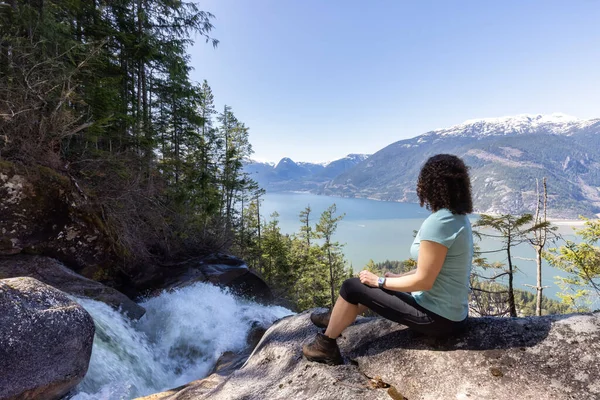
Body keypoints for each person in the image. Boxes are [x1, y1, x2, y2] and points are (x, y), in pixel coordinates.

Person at [302, 154, 474, 365]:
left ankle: (325, 346)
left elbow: (424, 281)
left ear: (431, 184)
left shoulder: (439, 223)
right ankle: (334, 319)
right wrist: (397, 277)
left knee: (352, 287)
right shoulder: (457, 218)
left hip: (437, 319)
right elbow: (432, 269)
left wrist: (380, 282)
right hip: (452, 315)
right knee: (370, 285)